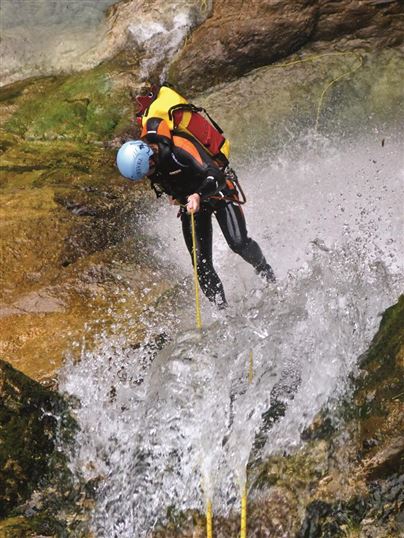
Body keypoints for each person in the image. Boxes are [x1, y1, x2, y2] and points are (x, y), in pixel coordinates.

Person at [116, 117, 275, 307]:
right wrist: (177, 196)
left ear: (150, 159)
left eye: (147, 171)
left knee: (238, 243)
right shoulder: (150, 163)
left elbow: (216, 176)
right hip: (191, 204)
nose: (148, 176)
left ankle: (267, 275)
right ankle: (222, 310)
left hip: (218, 192)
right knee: (201, 264)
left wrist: (199, 195)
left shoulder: (180, 148)